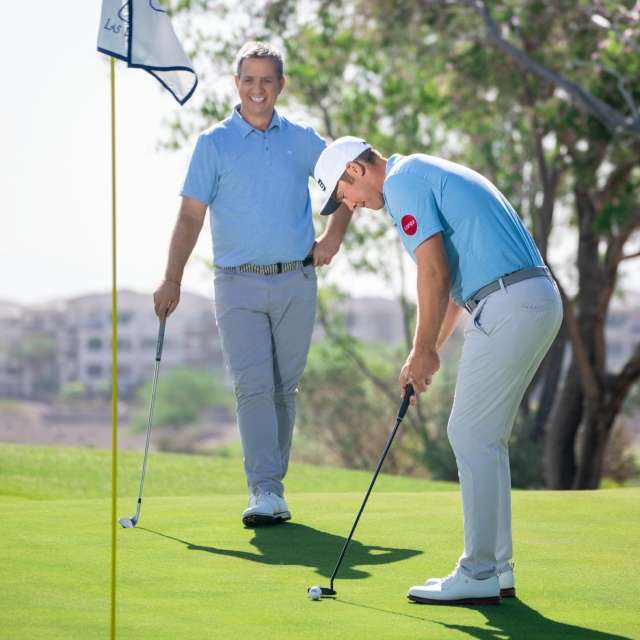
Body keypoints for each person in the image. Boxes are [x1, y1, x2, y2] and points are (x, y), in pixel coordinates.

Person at [313, 137, 563, 605]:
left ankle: (479, 571)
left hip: (509, 301)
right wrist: (424, 353)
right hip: (528, 299)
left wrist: (423, 349)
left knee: (469, 433)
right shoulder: (419, 173)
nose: (351, 206)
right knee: (483, 437)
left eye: (343, 196)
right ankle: (497, 570)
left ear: (354, 170)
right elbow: (448, 283)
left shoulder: (404, 182)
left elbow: (433, 272)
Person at [153, 42, 352, 527]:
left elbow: (349, 182)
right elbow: (189, 216)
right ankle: (265, 488)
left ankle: (271, 488)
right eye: (249, 79)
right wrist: (171, 278)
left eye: (267, 80)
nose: (257, 89)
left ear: (280, 86)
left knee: (285, 389)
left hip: (296, 283)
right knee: (253, 387)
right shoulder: (213, 144)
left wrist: (333, 236)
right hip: (237, 285)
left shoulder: (302, 140)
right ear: (236, 83)